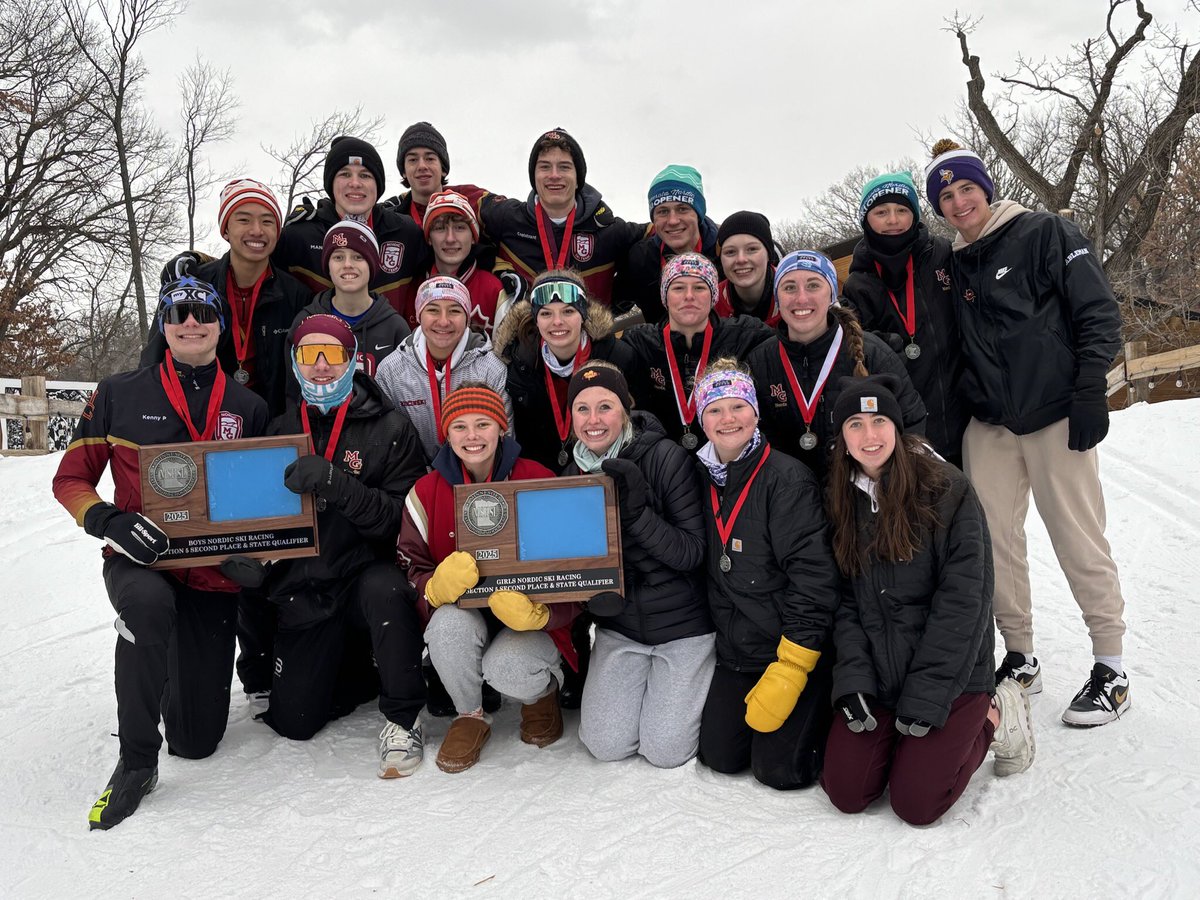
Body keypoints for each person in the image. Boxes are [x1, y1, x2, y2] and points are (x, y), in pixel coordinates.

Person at [926, 139, 1130, 726]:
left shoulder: (1045, 233)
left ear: (986, 189)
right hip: (990, 424)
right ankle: (1020, 655)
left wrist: (1090, 386)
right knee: (991, 542)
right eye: (946, 194)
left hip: (1054, 412)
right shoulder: (952, 262)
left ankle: (1111, 667)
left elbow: (1098, 311)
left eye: (967, 188)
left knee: (1077, 535)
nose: (959, 201)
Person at [52, 277, 269, 829]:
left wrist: (257, 554)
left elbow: (261, 504)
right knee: (148, 610)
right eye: (178, 313)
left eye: (203, 312)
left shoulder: (248, 406)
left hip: (211, 576)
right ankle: (135, 761)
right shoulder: (120, 392)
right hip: (141, 561)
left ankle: (170, 668)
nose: (191, 322)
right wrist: (108, 520)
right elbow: (71, 479)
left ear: (220, 325)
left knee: (196, 743)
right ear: (164, 325)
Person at [819, 374, 1035, 826]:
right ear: (841, 436)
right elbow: (846, 604)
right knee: (847, 792)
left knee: (916, 804)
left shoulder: (947, 491)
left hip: (952, 674)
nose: (869, 435)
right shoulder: (839, 495)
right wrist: (855, 680)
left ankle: (997, 712)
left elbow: (965, 604)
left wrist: (930, 693)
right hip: (881, 674)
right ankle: (911, 744)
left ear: (898, 428)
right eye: (855, 424)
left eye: (879, 421)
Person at [220, 315, 429, 774]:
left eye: (332, 354)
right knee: (294, 722)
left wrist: (337, 483)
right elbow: (257, 519)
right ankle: (358, 671)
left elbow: (402, 520)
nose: (320, 366)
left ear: (352, 360)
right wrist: (255, 556)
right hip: (305, 587)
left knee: (386, 590)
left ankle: (403, 715)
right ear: (293, 362)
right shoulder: (277, 431)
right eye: (307, 354)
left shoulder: (390, 426)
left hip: (362, 578)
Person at [397, 385, 582, 773]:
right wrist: (432, 586)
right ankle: (469, 713)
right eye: (460, 426)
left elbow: (573, 571)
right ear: (446, 433)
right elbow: (408, 566)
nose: (472, 436)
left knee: (506, 668)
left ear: (502, 428)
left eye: (483, 424)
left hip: (524, 622)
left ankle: (540, 694)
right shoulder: (425, 492)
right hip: (467, 616)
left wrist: (545, 614)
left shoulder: (538, 478)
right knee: (446, 627)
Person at [692, 359, 840, 788]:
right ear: (702, 419)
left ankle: (827, 703)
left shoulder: (787, 480)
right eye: (715, 409)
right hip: (739, 651)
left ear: (756, 412)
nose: (728, 419)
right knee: (720, 756)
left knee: (780, 771)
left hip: (791, 646)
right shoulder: (700, 475)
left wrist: (793, 664)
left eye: (738, 406)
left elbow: (814, 579)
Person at [559, 361, 713, 768]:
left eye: (605, 406)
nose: (594, 420)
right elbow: (573, 563)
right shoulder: (571, 472)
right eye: (582, 409)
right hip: (621, 629)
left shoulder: (666, 458)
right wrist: (590, 599)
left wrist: (637, 513)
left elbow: (692, 552)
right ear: (570, 416)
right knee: (605, 744)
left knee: (666, 751)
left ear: (625, 409)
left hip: (682, 629)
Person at [747, 249, 926, 482]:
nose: (801, 298)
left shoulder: (873, 353)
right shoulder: (760, 361)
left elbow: (911, 427)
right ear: (778, 298)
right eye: (789, 287)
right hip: (790, 501)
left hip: (863, 497)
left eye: (813, 285)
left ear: (832, 294)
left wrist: (885, 486)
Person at [141, 178, 311, 417]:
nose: (257, 230)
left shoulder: (296, 294)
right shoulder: (194, 285)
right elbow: (155, 357)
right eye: (243, 219)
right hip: (199, 422)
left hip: (270, 426)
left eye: (267, 221)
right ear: (226, 229)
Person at [842, 172, 966, 467]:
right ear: (866, 219)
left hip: (967, 419)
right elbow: (859, 355)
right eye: (881, 212)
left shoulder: (943, 255)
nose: (893, 220)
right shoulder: (858, 283)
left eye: (902, 210)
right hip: (906, 430)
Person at [475, 127, 646, 305]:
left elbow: (665, 230)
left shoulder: (608, 230)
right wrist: (493, 264)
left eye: (564, 167)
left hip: (589, 332)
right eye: (544, 167)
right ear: (534, 176)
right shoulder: (506, 217)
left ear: (578, 177)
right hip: (523, 331)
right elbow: (459, 204)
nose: (554, 175)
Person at [623, 253, 772, 450]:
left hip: (728, 454)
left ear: (713, 296)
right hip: (662, 462)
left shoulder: (745, 336)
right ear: (664, 296)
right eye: (678, 288)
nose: (689, 296)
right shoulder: (639, 342)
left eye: (700, 287)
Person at [274, 135, 429, 323]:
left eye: (365, 175)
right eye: (345, 174)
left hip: (391, 348)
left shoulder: (405, 232)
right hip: (320, 349)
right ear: (331, 183)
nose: (355, 183)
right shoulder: (299, 236)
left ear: (378, 185)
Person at [493, 269, 636, 472]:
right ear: (535, 319)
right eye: (546, 313)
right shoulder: (520, 361)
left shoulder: (616, 357)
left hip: (605, 470)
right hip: (541, 476)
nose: (557, 322)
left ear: (583, 314)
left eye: (568, 311)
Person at [375, 276, 511, 460]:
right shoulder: (392, 371)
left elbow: (505, 437)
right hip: (414, 477)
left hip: (476, 472)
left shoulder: (490, 368)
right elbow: (387, 442)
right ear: (419, 315)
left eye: (454, 311)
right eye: (433, 310)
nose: (444, 321)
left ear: (467, 318)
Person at [289, 220, 411, 378]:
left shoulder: (395, 327)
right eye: (338, 257)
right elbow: (292, 393)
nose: (347, 264)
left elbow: (404, 394)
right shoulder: (305, 322)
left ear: (372, 264)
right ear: (328, 266)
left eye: (358, 257)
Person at [615, 164, 720, 321]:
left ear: (698, 214)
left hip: (726, 343)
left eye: (682, 209)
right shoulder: (642, 258)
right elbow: (612, 305)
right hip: (661, 344)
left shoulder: (726, 251)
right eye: (663, 211)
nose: (672, 221)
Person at [421, 189, 506, 335]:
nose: (450, 239)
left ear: (473, 237)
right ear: (429, 238)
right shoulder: (414, 287)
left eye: (460, 228)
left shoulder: (494, 290)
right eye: (440, 228)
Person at [713, 210, 780, 322]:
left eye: (752, 249)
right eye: (730, 252)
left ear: (768, 254)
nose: (741, 259)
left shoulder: (796, 294)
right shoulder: (711, 302)